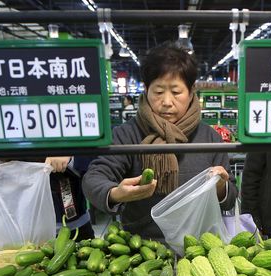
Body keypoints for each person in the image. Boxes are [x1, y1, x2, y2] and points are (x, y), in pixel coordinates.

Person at [82, 43, 236, 238]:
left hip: (199, 243)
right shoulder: (127, 135)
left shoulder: (208, 137)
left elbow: (230, 198)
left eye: (176, 92)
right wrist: (115, 193)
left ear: (191, 92)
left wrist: (221, 188)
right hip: (142, 246)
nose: (167, 102)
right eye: (158, 91)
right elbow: (94, 178)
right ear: (146, 89)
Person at [0, 125, 95, 239]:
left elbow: (98, 159)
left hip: (71, 226)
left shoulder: (66, 113)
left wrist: (72, 156)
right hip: (14, 229)